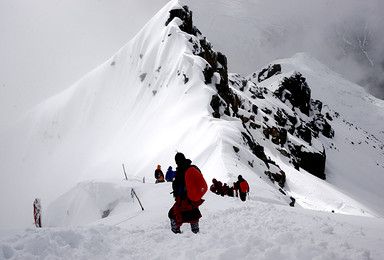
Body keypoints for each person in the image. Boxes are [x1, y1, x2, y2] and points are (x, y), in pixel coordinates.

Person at [168, 153, 204, 234]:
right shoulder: (193, 168)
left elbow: (176, 186)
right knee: (194, 213)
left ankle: (176, 234)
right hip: (194, 198)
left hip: (184, 199)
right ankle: (196, 232)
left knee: (172, 214)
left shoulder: (180, 171)